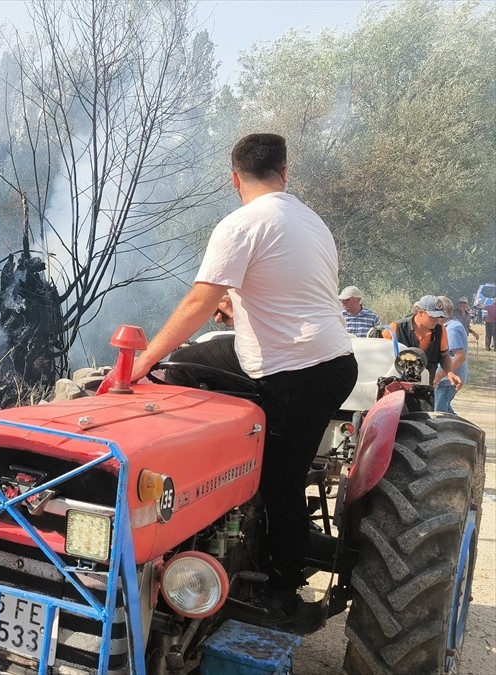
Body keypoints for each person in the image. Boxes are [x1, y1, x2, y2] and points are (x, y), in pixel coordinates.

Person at [129, 133, 357, 623]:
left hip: (299, 371)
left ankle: (283, 590)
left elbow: (198, 302)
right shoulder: (310, 220)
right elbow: (285, 291)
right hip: (327, 358)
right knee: (183, 368)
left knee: (279, 481)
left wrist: (141, 361)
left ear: (234, 179)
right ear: (284, 172)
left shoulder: (242, 223)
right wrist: (236, 308)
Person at [379, 295, 460, 388]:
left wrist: (450, 373)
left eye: (439, 317)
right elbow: (380, 355)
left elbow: (444, 356)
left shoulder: (441, 331)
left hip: (425, 387)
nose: (436, 320)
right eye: (433, 317)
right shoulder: (396, 328)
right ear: (421, 312)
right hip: (396, 386)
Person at [433, 296, 467, 413]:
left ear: (445, 311)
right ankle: (464, 431)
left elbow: (459, 356)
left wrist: (438, 376)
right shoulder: (448, 327)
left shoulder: (451, 329)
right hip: (446, 379)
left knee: (440, 414)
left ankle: (464, 431)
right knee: (445, 410)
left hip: (447, 380)